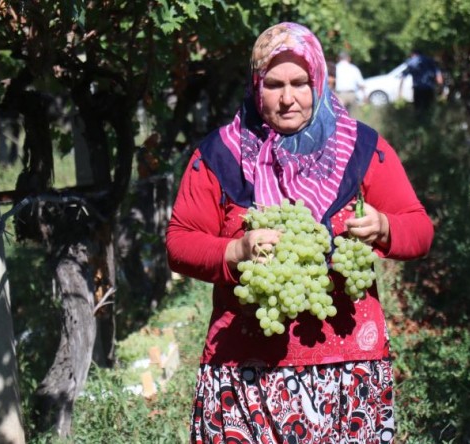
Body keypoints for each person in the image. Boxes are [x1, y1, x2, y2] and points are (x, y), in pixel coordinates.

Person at [166, 22, 433, 443]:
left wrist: (384, 226)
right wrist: (235, 250)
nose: (288, 98)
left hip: (348, 372)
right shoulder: (219, 155)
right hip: (245, 376)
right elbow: (180, 242)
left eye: (300, 83)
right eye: (273, 85)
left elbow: (419, 228)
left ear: (319, 81)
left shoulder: (361, 148)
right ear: (256, 86)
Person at [401, 49, 443, 117]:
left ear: (413, 54)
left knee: (418, 107)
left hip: (417, 88)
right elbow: (437, 73)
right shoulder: (429, 60)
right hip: (428, 87)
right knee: (428, 106)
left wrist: (400, 91)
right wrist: (440, 86)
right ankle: (428, 121)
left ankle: (419, 122)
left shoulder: (411, 62)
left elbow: (403, 75)